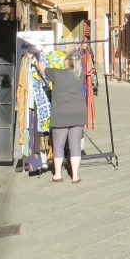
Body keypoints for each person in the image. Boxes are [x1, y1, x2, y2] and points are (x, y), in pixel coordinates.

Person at [36, 52, 87, 182]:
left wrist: (34, 62)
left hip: (61, 114)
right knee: (75, 145)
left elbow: (42, 68)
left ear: (67, 62)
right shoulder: (80, 75)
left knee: (58, 145)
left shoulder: (56, 73)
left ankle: (58, 175)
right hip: (78, 113)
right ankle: (75, 176)